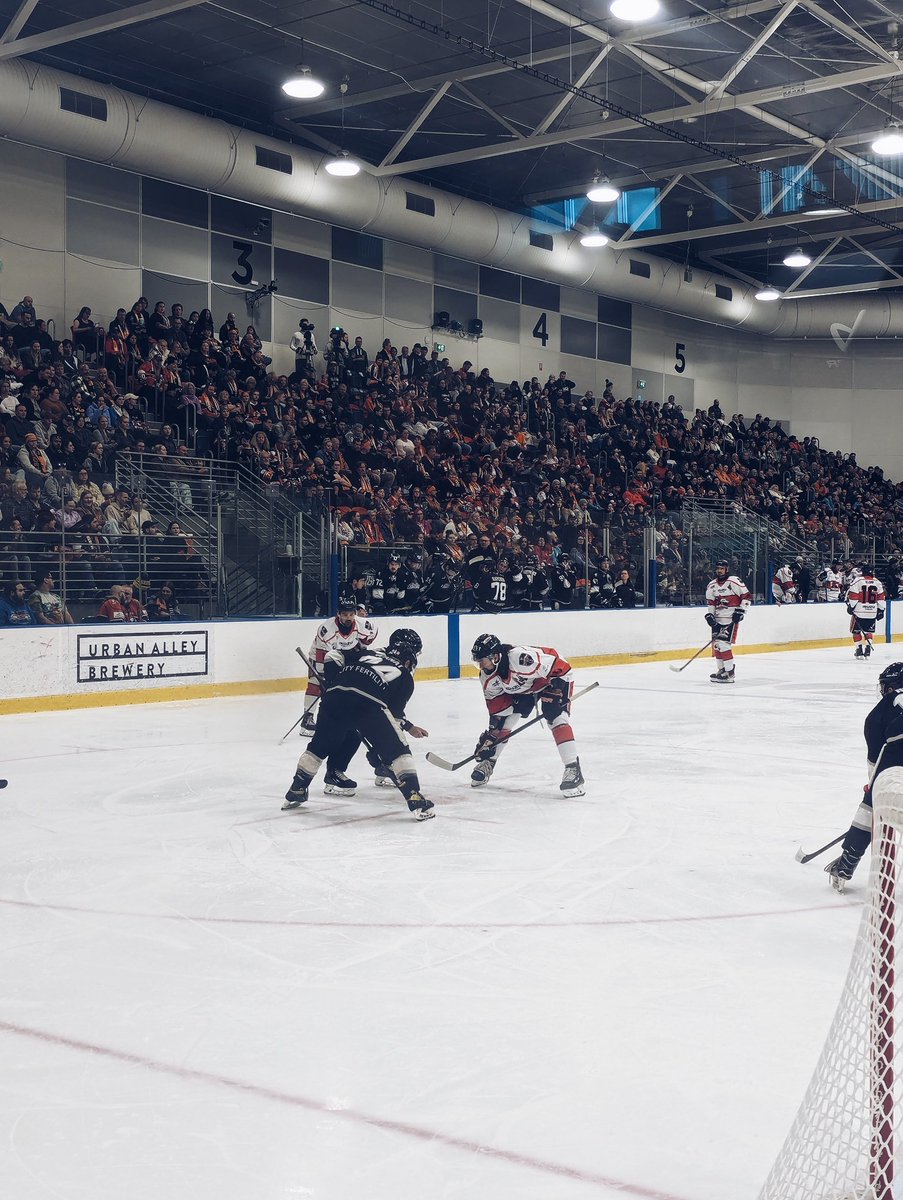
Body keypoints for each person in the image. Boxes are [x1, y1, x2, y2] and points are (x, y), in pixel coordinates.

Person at [282, 628, 434, 821]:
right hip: (366, 704)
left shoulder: (368, 653)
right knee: (399, 750)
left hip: (334, 696)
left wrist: (333, 681)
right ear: (408, 660)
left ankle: (297, 788)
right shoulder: (404, 676)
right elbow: (392, 717)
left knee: (318, 747)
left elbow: (333, 655)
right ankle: (416, 798)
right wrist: (384, 753)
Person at [469, 633, 585, 796]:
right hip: (526, 688)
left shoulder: (521, 659)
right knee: (506, 722)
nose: (480, 666)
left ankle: (573, 770)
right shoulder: (487, 678)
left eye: (482, 661)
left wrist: (555, 692)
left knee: (556, 718)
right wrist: (491, 737)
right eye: (477, 662)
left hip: (553, 680)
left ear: (495, 657)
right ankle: (490, 761)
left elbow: (561, 667)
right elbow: (499, 711)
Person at [825, 662, 903, 890]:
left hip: (896, 760)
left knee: (872, 804)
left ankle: (847, 862)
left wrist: (874, 786)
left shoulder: (878, 714)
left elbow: (876, 761)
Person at [298, 592, 378, 736]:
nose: (348, 618)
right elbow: (322, 654)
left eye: (351, 614)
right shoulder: (326, 629)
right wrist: (325, 677)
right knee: (317, 684)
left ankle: (351, 716)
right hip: (322, 654)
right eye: (345, 614)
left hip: (348, 654)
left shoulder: (363, 625)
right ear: (338, 615)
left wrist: (361, 645)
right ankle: (307, 718)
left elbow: (373, 633)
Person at [704, 560, 752, 684]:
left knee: (724, 644)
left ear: (727, 569)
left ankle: (730, 673)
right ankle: (722, 670)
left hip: (730, 619)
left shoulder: (734, 581)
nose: (719, 570)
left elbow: (746, 597)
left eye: (722, 568)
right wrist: (710, 615)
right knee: (717, 645)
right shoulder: (712, 585)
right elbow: (711, 602)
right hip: (717, 620)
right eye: (718, 568)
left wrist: (741, 612)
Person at [847, 563, 886, 659]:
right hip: (872, 612)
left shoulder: (858, 581)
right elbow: (881, 598)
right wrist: (881, 610)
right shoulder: (877, 582)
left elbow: (853, 596)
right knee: (868, 631)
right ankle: (867, 650)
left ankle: (859, 650)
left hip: (859, 611)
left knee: (856, 632)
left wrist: (851, 607)